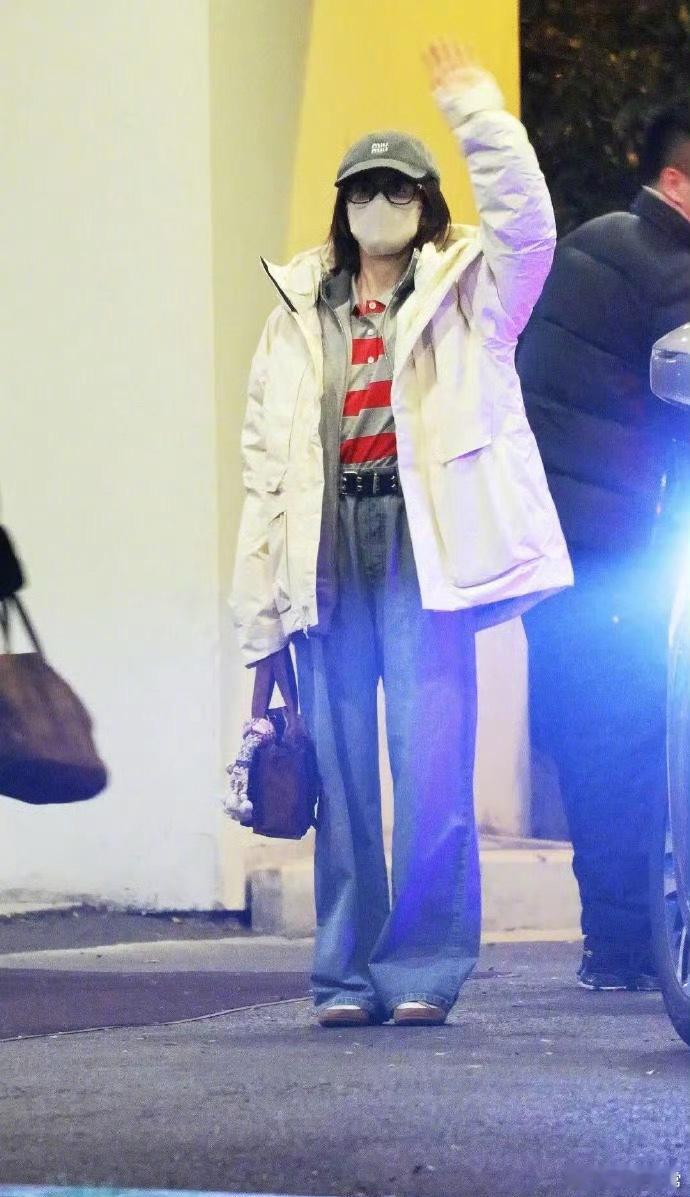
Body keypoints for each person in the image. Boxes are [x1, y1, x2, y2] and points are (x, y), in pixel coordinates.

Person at [231, 40, 571, 1027]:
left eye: (396, 187)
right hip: (327, 550)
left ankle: (420, 969)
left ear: (426, 201)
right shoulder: (298, 310)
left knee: (431, 774)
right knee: (340, 781)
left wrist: (476, 113)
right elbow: (264, 470)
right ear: (340, 206)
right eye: (361, 188)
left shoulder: (472, 294)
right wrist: (260, 622)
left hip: (422, 548)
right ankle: (344, 976)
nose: (378, 203)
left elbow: (530, 229)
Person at [518, 99, 690, 991]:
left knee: (600, 751)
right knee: (635, 746)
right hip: (631, 547)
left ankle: (617, 947)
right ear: (676, 180)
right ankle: (633, 946)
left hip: (567, 549)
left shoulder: (591, 247)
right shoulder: (665, 266)